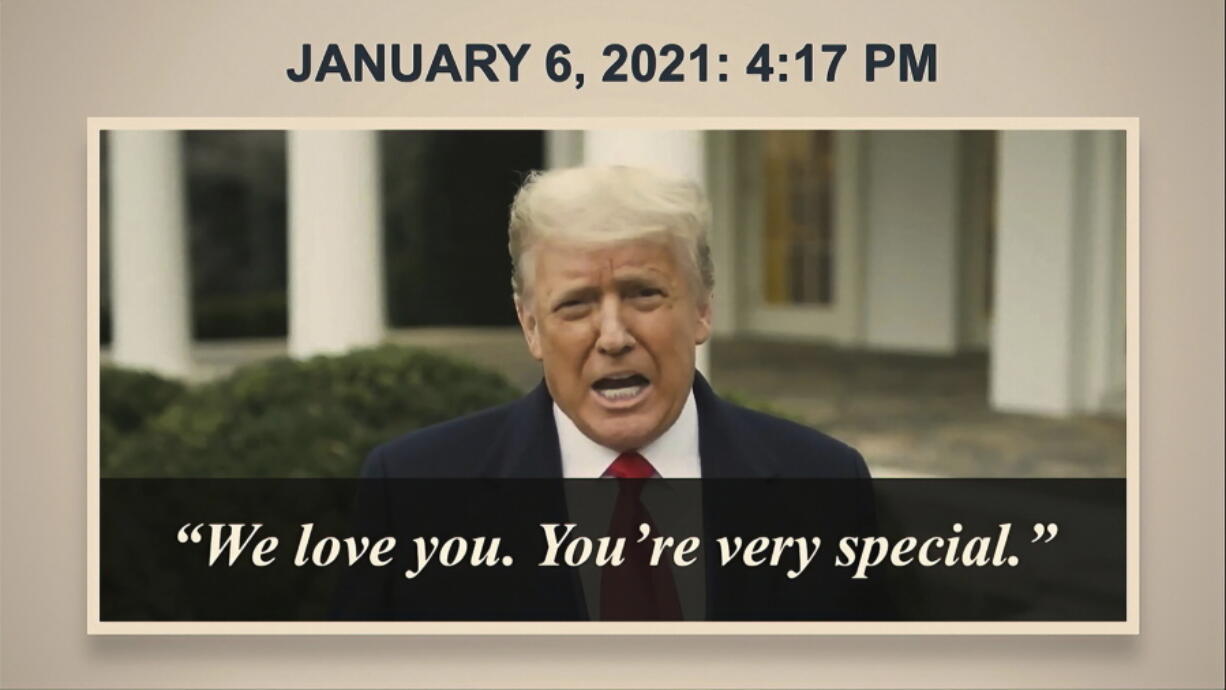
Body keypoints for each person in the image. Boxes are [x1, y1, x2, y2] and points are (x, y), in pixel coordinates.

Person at [362, 165, 868, 481]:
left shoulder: (825, 481)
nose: (613, 337)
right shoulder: (412, 488)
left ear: (702, 308)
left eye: (643, 294)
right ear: (531, 326)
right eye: (576, 304)